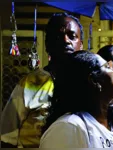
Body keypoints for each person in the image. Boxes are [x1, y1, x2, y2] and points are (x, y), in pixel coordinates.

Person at [0, 12, 84, 148]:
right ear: (47, 45)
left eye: (72, 36)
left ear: (81, 45)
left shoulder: (89, 83)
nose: (65, 40)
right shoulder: (30, 83)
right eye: (58, 36)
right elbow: (6, 137)